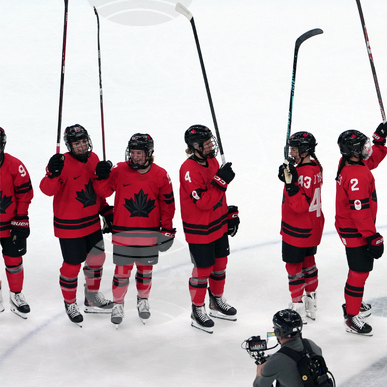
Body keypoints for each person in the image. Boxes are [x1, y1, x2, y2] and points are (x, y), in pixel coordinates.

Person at [93, 133, 175, 327]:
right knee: (122, 272)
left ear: (149, 153)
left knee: (145, 270)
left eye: (139, 153)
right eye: (132, 152)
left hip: (149, 232)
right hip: (123, 232)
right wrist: (101, 176)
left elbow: (168, 205)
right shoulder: (119, 170)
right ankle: (118, 304)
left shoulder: (161, 174)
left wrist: (168, 229)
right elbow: (103, 192)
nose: (135, 156)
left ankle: (143, 299)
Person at [39, 124, 114, 326]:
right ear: (69, 145)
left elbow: (101, 192)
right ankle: (70, 302)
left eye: (83, 142)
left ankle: (91, 296)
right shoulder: (60, 162)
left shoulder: (94, 158)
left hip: (91, 222)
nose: (81, 146)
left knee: (97, 259)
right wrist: (52, 174)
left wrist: (105, 206)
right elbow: (46, 190)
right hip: (69, 225)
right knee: (72, 266)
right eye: (76, 143)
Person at [334, 121, 387, 336]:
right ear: (353, 152)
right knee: (359, 272)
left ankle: (353, 304)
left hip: (350, 226)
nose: (367, 150)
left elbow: (373, 159)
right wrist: (372, 237)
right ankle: (351, 316)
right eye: (363, 147)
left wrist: (380, 138)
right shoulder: (357, 175)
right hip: (356, 229)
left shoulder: (348, 163)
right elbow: (360, 212)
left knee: (358, 270)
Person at [178, 124, 239, 333]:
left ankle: (216, 301)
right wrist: (222, 181)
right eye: (206, 143)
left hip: (218, 223)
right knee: (203, 270)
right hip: (199, 229)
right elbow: (203, 202)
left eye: (210, 141)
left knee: (220, 264)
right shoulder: (188, 170)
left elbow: (219, 195)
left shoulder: (212, 161)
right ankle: (197, 309)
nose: (210, 146)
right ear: (195, 146)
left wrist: (229, 213)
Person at [279, 131, 324, 320]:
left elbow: (299, 206)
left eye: (295, 149)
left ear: (305, 150)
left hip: (297, 228)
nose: (292, 152)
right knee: (308, 263)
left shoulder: (303, 174)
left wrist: (290, 185)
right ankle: (311, 302)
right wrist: (290, 177)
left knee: (294, 267)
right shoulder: (316, 167)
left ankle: (297, 306)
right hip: (313, 226)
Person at [0, 127, 33, 317]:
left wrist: (21, 218)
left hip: (10, 224)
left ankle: (16, 294)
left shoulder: (14, 165)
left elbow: (25, 194)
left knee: (14, 260)